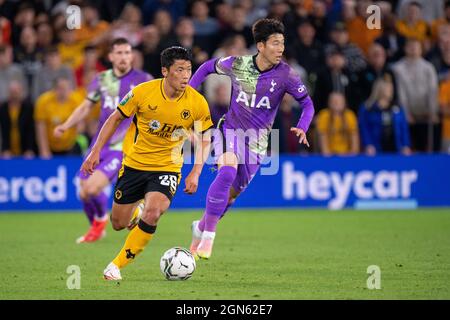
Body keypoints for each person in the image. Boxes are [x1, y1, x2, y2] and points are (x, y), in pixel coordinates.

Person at [81, 46, 213, 280]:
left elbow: (205, 138)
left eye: (189, 70)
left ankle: (115, 265)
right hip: (134, 164)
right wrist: (95, 152)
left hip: (167, 167)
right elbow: (115, 119)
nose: (185, 76)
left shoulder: (197, 103)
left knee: (153, 213)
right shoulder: (143, 92)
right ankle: (136, 211)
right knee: (119, 223)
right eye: (179, 70)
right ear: (165, 71)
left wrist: (195, 172)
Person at [188, 18, 315, 259]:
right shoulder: (237, 65)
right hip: (230, 130)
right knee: (226, 171)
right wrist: (189, 95)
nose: (280, 49)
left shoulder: (287, 75)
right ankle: (208, 239)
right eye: (275, 43)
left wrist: (303, 126)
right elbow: (206, 68)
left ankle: (200, 227)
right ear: (260, 45)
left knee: (229, 196)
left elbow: (307, 104)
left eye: (282, 44)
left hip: (257, 145)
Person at [54, 38, 152, 243]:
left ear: (132, 56)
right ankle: (98, 225)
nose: (124, 57)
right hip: (98, 145)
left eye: (127, 52)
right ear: (111, 56)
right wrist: (66, 125)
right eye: (119, 53)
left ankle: (100, 222)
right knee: (83, 193)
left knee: (91, 188)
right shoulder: (101, 79)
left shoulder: (144, 80)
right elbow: (86, 107)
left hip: (123, 147)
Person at [358, 77, 412, 155]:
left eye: (392, 88)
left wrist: (406, 145)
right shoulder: (367, 108)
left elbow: (404, 128)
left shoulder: (398, 108)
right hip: (376, 149)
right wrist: (368, 144)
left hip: (396, 148)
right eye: (388, 88)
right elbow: (364, 128)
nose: (391, 91)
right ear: (380, 90)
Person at [316, 92, 359, 156]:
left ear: (344, 102)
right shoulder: (324, 115)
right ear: (329, 103)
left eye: (339, 101)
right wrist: (329, 157)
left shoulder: (350, 115)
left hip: (347, 156)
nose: (337, 103)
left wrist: (352, 155)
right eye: (334, 101)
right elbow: (322, 138)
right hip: (329, 156)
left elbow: (354, 137)